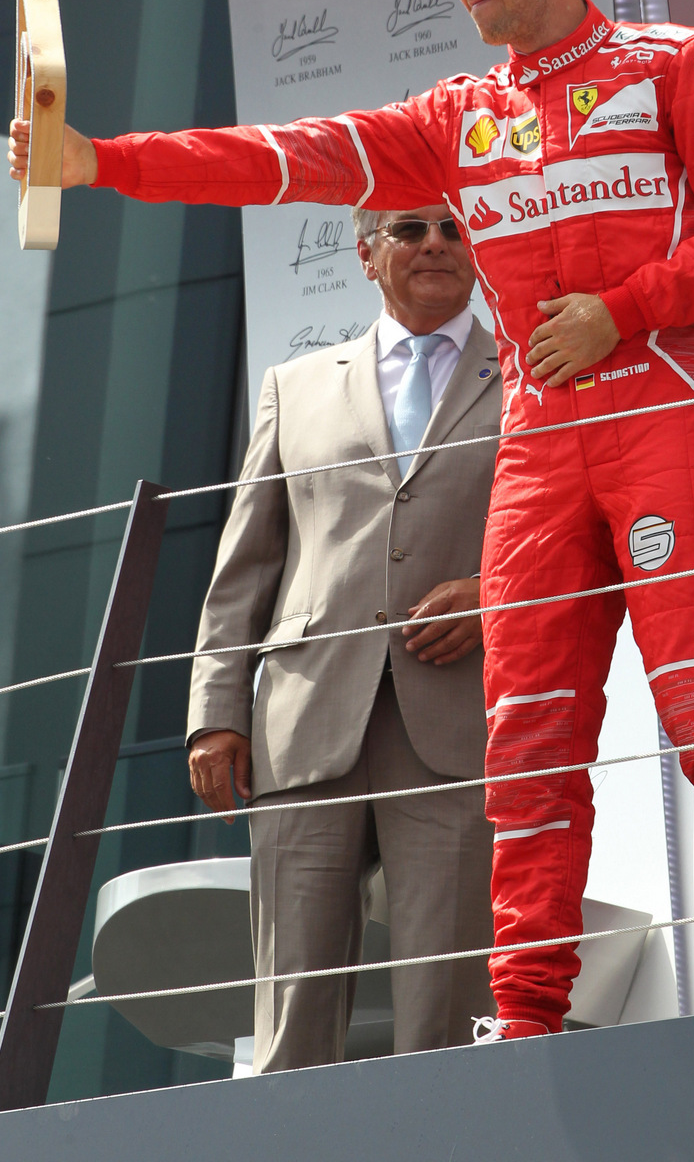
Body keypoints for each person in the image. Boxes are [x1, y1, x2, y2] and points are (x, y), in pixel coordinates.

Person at [10, 0, 694, 1037]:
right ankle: (526, 1012)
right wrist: (98, 162)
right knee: (526, 737)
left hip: (658, 415)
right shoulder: (457, 116)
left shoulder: (682, 63)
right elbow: (279, 158)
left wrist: (623, 308)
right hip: (541, 451)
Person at [187, 202, 501, 1069]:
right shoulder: (296, 386)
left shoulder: (535, 376)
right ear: (367, 255)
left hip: (461, 723)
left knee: (451, 1019)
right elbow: (244, 567)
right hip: (305, 720)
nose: (435, 243)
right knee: (291, 1022)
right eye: (410, 230)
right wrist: (217, 713)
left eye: (454, 227)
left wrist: (493, 593)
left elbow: (580, 541)